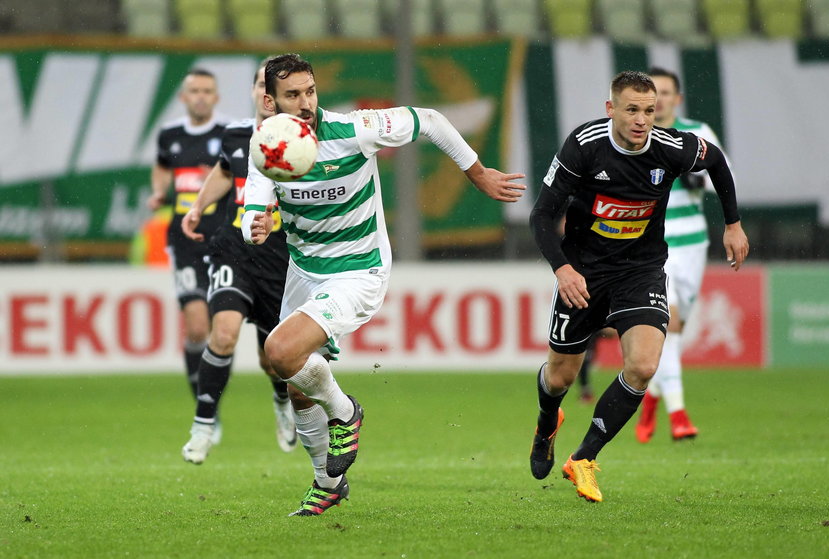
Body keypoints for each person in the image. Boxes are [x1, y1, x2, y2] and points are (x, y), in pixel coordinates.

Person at [242, 53, 526, 516]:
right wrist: (255, 224)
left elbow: (431, 120)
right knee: (296, 383)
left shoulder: (355, 129)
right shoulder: (267, 148)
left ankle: (345, 414)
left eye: (309, 91)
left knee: (279, 352)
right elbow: (252, 208)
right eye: (292, 95)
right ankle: (328, 483)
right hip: (304, 272)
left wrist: (477, 174)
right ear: (270, 102)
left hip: (358, 269)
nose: (305, 102)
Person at [528, 71, 748, 502]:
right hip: (583, 274)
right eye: (631, 109)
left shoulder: (671, 147)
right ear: (611, 109)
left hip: (640, 271)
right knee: (560, 377)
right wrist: (562, 269)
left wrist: (733, 224)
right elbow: (540, 216)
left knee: (644, 366)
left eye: (649, 111)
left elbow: (717, 161)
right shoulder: (583, 146)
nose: (642, 120)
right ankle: (547, 421)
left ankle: (584, 458)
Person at [179, 58, 300, 465]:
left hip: (280, 259)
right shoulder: (235, 134)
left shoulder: (302, 141)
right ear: (254, 91)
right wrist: (197, 207)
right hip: (234, 248)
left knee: (273, 358)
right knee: (224, 333)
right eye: (260, 85)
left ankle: (282, 401)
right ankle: (203, 425)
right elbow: (225, 173)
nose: (267, 93)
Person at [634, 67, 729, 443]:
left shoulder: (697, 133)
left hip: (692, 243)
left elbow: (725, 174)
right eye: (655, 93)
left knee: (676, 327)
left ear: (677, 98)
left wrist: (697, 177)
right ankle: (679, 413)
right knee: (668, 323)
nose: (661, 99)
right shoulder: (636, 136)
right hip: (651, 243)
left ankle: (651, 399)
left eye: (667, 92)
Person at [147, 68, 229, 422]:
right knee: (197, 326)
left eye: (207, 91)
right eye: (194, 90)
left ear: (216, 97)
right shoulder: (170, 134)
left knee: (222, 327)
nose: (200, 96)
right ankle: (202, 399)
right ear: (183, 97)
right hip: (184, 243)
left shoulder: (229, 133)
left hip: (223, 241)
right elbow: (163, 165)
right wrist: (158, 191)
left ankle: (209, 403)